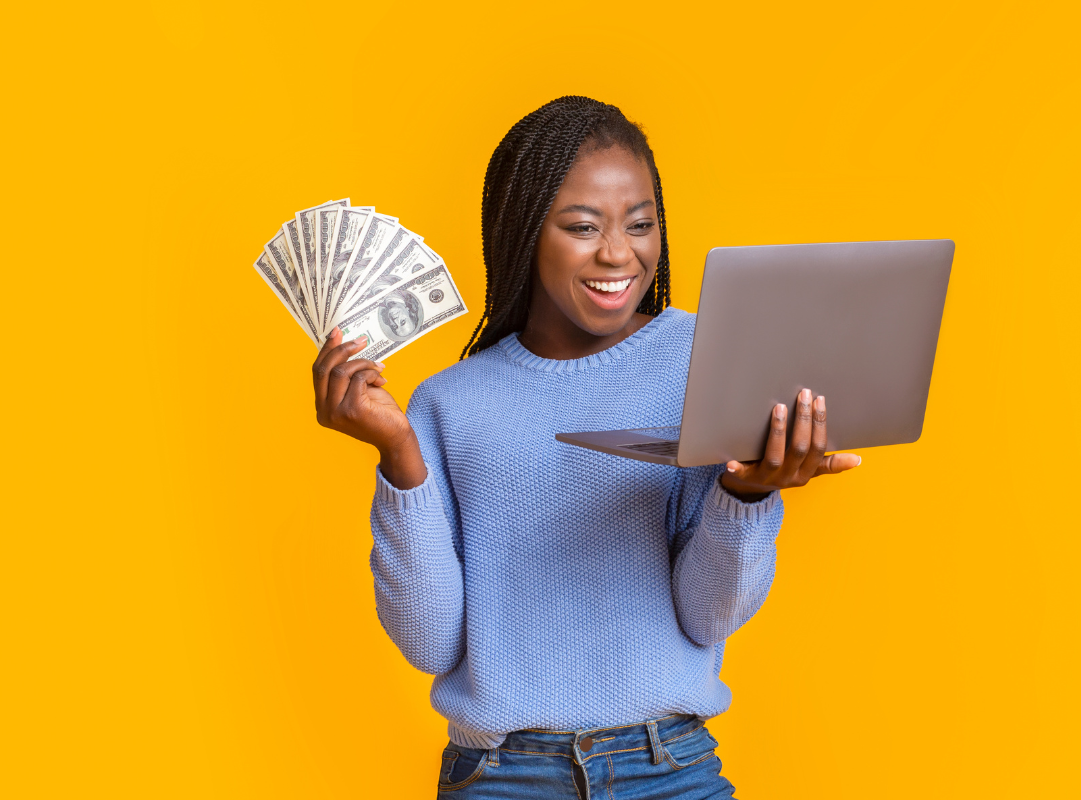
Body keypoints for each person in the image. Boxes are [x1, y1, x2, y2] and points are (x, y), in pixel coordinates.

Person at [311, 96, 861, 798]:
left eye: (640, 224)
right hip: (503, 776)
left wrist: (746, 495)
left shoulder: (708, 359)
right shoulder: (448, 404)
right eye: (581, 227)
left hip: (669, 770)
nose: (618, 254)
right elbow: (430, 643)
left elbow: (707, 616)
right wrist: (399, 456)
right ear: (523, 234)